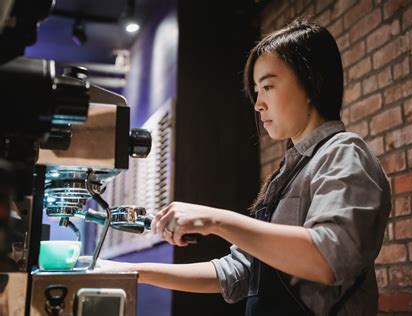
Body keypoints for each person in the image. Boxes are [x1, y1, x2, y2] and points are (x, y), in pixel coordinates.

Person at [92, 18, 391, 315]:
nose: (258, 104)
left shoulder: (344, 152)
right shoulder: (288, 172)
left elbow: (328, 257)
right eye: (256, 91)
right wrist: (125, 271)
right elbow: (239, 271)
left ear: (311, 82)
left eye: (268, 86)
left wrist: (215, 220)